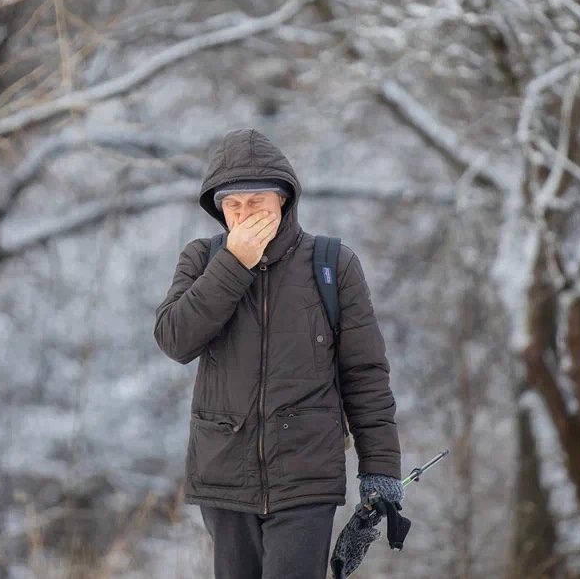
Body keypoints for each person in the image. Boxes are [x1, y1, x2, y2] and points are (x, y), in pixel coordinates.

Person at [155, 128, 402, 579]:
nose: (245, 214)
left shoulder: (332, 264)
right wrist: (234, 265)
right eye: (234, 205)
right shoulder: (201, 259)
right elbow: (175, 340)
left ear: (283, 199)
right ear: (219, 207)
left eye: (257, 201)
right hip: (224, 476)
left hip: (307, 476)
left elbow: (365, 374)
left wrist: (380, 468)